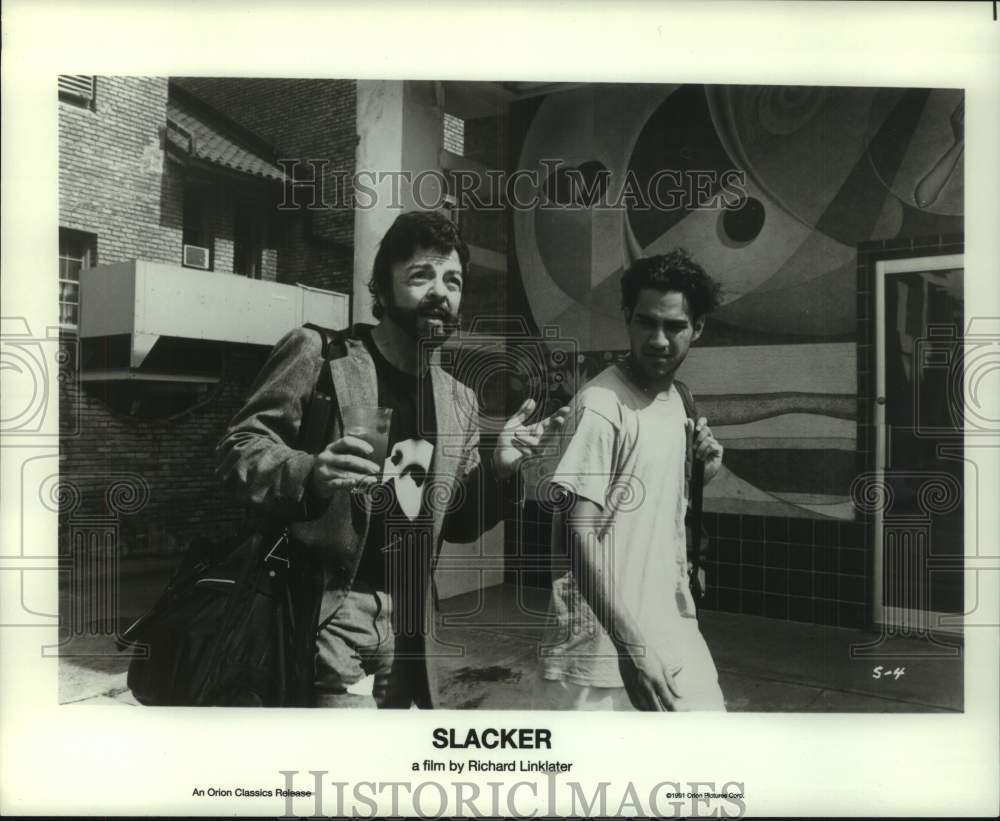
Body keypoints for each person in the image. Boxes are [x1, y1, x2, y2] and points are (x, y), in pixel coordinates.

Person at [217, 211, 568, 708]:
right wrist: (309, 473)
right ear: (382, 288)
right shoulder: (322, 355)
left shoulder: (458, 400)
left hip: (410, 631)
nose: (440, 293)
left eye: (453, 281)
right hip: (328, 612)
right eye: (421, 275)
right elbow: (238, 450)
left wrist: (499, 469)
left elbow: (461, 522)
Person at [533, 249, 726, 711]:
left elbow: (655, 496)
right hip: (600, 652)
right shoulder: (601, 405)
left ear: (697, 328)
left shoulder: (680, 398)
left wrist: (704, 468)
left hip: (672, 628)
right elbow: (578, 535)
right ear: (627, 319)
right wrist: (633, 649)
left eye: (675, 326)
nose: (658, 340)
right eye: (646, 323)